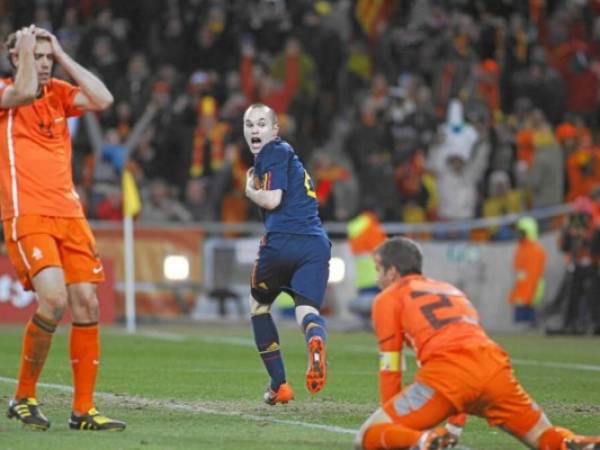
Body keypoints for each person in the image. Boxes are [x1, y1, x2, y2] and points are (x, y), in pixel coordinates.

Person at [354, 236, 600, 450]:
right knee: (543, 436)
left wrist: (393, 423)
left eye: (378, 270)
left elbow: (391, 365)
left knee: (367, 435)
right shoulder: (450, 290)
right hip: (494, 368)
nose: (377, 279)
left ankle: (423, 441)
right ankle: (571, 443)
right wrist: (455, 425)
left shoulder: (388, 298)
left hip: (449, 376)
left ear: (393, 272)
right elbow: (464, 352)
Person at [0, 25, 125, 431]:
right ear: (16, 58)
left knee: (88, 303)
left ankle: (83, 410)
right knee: (53, 301)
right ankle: (23, 396)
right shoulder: (5, 92)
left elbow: (103, 98)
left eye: (46, 58)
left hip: (70, 215)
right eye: (34, 56)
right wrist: (22, 53)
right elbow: (20, 92)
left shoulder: (58, 93)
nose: (42, 64)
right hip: (28, 214)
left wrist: (61, 54)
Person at [243, 102, 330, 404]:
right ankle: (315, 339)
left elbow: (273, 199)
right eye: (249, 124)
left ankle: (279, 385)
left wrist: (250, 192)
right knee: (306, 311)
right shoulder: (287, 157)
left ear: (275, 130)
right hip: (315, 245)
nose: (255, 130)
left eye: (261, 124)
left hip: (282, 242)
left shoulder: (274, 152)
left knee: (259, 306)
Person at [508, 216, 547, 327]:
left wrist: (529, 293)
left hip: (530, 289)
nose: (517, 234)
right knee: (520, 323)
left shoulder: (535, 250)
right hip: (521, 289)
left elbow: (533, 274)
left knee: (528, 321)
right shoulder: (521, 248)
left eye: (520, 232)